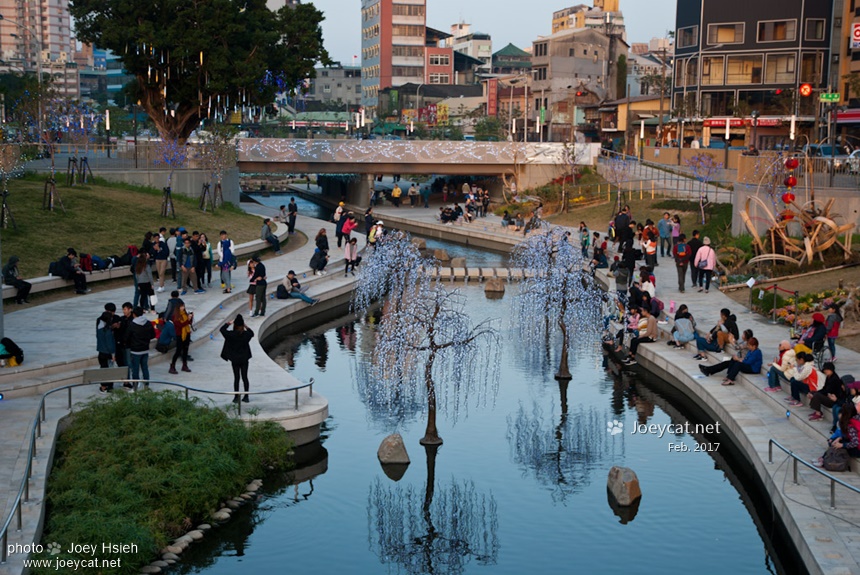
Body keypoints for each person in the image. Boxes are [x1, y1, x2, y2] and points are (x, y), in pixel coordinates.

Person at [221, 314, 254, 403]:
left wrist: (228, 323)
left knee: (236, 378)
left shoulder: (231, 335)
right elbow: (252, 333)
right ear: (242, 325)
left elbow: (222, 330)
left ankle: (236, 397)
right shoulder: (246, 335)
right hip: (244, 359)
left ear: (234, 325)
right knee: (245, 377)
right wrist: (246, 326)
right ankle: (246, 396)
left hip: (235, 359)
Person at [125, 306, 155, 385]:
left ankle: (135, 386)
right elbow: (153, 335)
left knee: (135, 369)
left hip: (135, 350)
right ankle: (146, 386)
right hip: (145, 349)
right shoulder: (148, 323)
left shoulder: (132, 324)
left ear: (134, 314)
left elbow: (127, 337)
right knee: (145, 368)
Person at [96, 308, 117, 392]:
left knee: (103, 369)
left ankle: (103, 386)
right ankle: (109, 387)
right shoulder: (107, 331)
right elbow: (110, 344)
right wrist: (113, 355)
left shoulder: (99, 328)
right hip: (107, 353)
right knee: (110, 370)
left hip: (101, 352)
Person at [168, 303, 193, 374]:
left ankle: (184, 365)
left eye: (183, 306)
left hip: (187, 334)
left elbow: (189, 323)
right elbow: (180, 325)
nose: (183, 308)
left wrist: (190, 318)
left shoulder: (185, 314)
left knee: (185, 350)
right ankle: (172, 366)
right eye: (181, 306)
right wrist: (188, 320)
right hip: (180, 335)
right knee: (178, 351)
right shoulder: (175, 316)